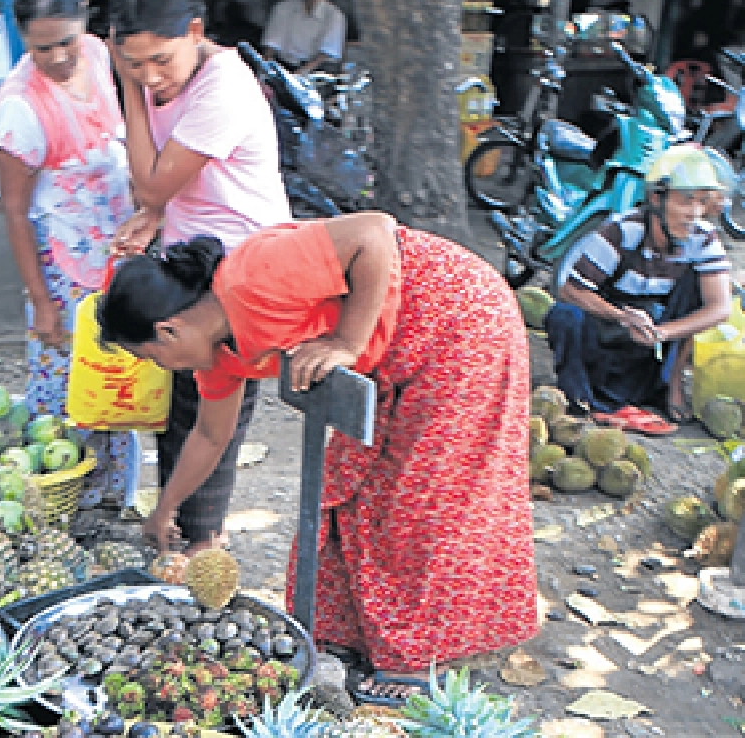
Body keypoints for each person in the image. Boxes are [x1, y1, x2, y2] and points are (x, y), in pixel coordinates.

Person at [96, 213, 537, 697]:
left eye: (152, 357)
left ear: (171, 331)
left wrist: (348, 341)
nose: (160, 367)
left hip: (458, 322)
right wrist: (165, 509)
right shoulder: (220, 353)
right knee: (349, 486)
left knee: (421, 501)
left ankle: (415, 662)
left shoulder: (253, 276)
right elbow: (209, 434)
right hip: (390, 355)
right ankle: (350, 637)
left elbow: (374, 233)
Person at [106, 0, 292, 553]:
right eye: (135, 62)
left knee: (214, 423)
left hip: (244, 280)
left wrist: (131, 91)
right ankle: (175, 529)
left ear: (195, 32)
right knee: (179, 409)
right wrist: (156, 217)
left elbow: (153, 180)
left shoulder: (225, 88)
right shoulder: (170, 75)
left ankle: (199, 541)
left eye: (160, 59)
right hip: (195, 263)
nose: (151, 75)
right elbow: (168, 187)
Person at [0, 0, 138, 511]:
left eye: (66, 42)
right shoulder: (18, 111)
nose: (56, 57)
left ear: (87, 26)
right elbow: (14, 212)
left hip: (119, 265)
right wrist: (42, 303)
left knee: (119, 392)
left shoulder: (102, 58)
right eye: (41, 47)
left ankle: (117, 506)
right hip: (63, 277)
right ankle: (63, 512)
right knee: (65, 405)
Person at [546, 144, 734, 434]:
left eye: (701, 202)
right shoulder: (622, 230)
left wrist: (662, 333)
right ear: (657, 198)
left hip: (647, 341)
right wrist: (621, 316)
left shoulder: (703, 237)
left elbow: (719, 307)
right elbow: (571, 290)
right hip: (606, 334)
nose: (694, 213)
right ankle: (579, 400)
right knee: (564, 314)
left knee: (698, 288)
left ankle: (667, 382)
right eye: (686, 201)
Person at [261, 0, 346, 75]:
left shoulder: (334, 14)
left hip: (317, 70)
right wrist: (265, 70)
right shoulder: (283, 8)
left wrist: (300, 74)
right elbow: (271, 45)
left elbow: (327, 53)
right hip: (285, 66)